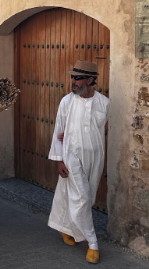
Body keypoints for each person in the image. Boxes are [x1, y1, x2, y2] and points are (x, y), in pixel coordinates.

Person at [47, 60, 110, 264]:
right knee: (81, 196)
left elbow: (97, 129)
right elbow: (58, 132)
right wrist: (59, 160)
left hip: (95, 156)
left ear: (90, 80)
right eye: (72, 77)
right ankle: (93, 243)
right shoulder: (66, 102)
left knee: (85, 196)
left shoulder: (104, 103)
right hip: (71, 155)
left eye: (78, 78)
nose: (73, 81)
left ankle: (67, 228)